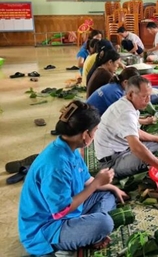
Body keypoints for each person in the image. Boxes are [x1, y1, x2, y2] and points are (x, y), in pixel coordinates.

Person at [18, 101, 127, 256]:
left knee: (107, 196)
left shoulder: (71, 148)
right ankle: (75, 237)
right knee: (105, 223)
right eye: (95, 131)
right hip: (46, 228)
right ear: (85, 134)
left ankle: (85, 230)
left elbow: (86, 181)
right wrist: (96, 183)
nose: (95, 135)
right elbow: (62, 210)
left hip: (70, 210)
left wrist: (112, 187)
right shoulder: (56, 165)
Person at [94, 76, 158, 179]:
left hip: (124, 150)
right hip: (112, 162)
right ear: (130, 94)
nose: (148, 100)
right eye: (144, 96)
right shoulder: (126, 113)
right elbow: (136, 148)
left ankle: (152, 159)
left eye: (149, 96)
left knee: (155, 144)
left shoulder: (129, 104)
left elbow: (137, 132)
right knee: (144, 157)